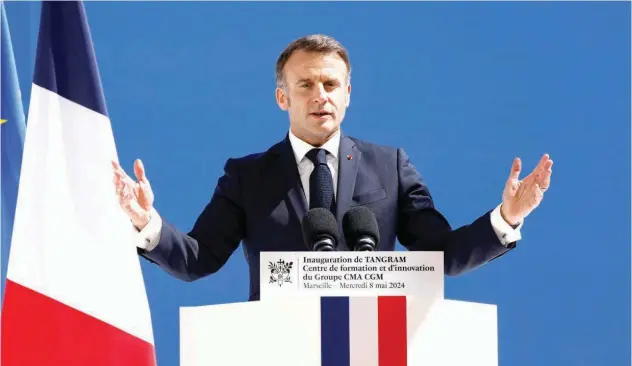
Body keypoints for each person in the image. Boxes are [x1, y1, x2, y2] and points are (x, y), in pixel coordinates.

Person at [112, 34, 553, 301]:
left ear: (348, 94)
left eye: (330, 84)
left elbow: (440, 256)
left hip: (374, 357)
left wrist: (507, 218)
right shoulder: (247, 176)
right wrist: (145, 220)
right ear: (283, 98)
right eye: (305, 84)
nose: (320, 94)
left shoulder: (390, 166)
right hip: (276, 355)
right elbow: (197, 259)